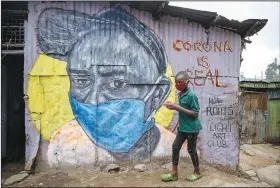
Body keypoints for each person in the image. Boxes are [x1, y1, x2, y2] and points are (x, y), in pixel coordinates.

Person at [36, 6, 188, 167]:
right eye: (81, 81)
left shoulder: (175, 150)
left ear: (157, 95)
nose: (94, 99)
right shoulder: (63, 147)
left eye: (117, 84)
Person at [161, 71, 202, 182]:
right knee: (175, 147)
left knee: (191, 150)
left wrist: (176, 107)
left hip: (192, 128)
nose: (178, 84)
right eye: (176, 82)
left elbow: (195, 113)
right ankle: (174, 174)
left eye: (180, 82)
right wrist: (173, 105)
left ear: (187, 82)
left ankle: (197, 172)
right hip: (183, 127)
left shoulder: (191, 95)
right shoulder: (181, 94)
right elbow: (182, 108)